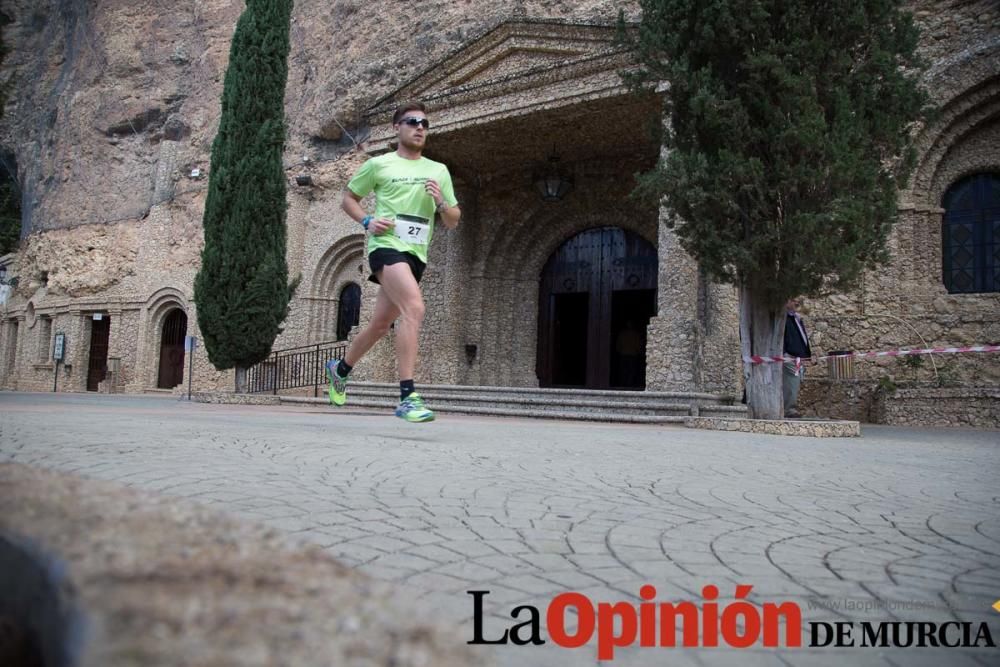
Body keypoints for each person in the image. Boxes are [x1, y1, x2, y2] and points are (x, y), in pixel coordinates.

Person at [325, 102, 461, 423]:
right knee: (414, 308)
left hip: (416, 254)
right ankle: (407, 396)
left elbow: (453, 220)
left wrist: (441, 201)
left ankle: (340, 369)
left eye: (425, 123)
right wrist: (367, 221)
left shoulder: (437, 170)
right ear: (396, 128)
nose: (420, 127)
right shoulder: (379, 165)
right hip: (385, 247)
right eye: (412, 122)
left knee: (381, 324)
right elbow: (348, 198)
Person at [783, 296, 812, 418]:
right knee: (792, 381)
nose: (796, 302)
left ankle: (789, 407)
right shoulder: (783, 318)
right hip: (789, 356)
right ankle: (790, 409)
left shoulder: (796, 318)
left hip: (797, 357)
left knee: (795, 381)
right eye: (793, 299)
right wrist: (785, 353)